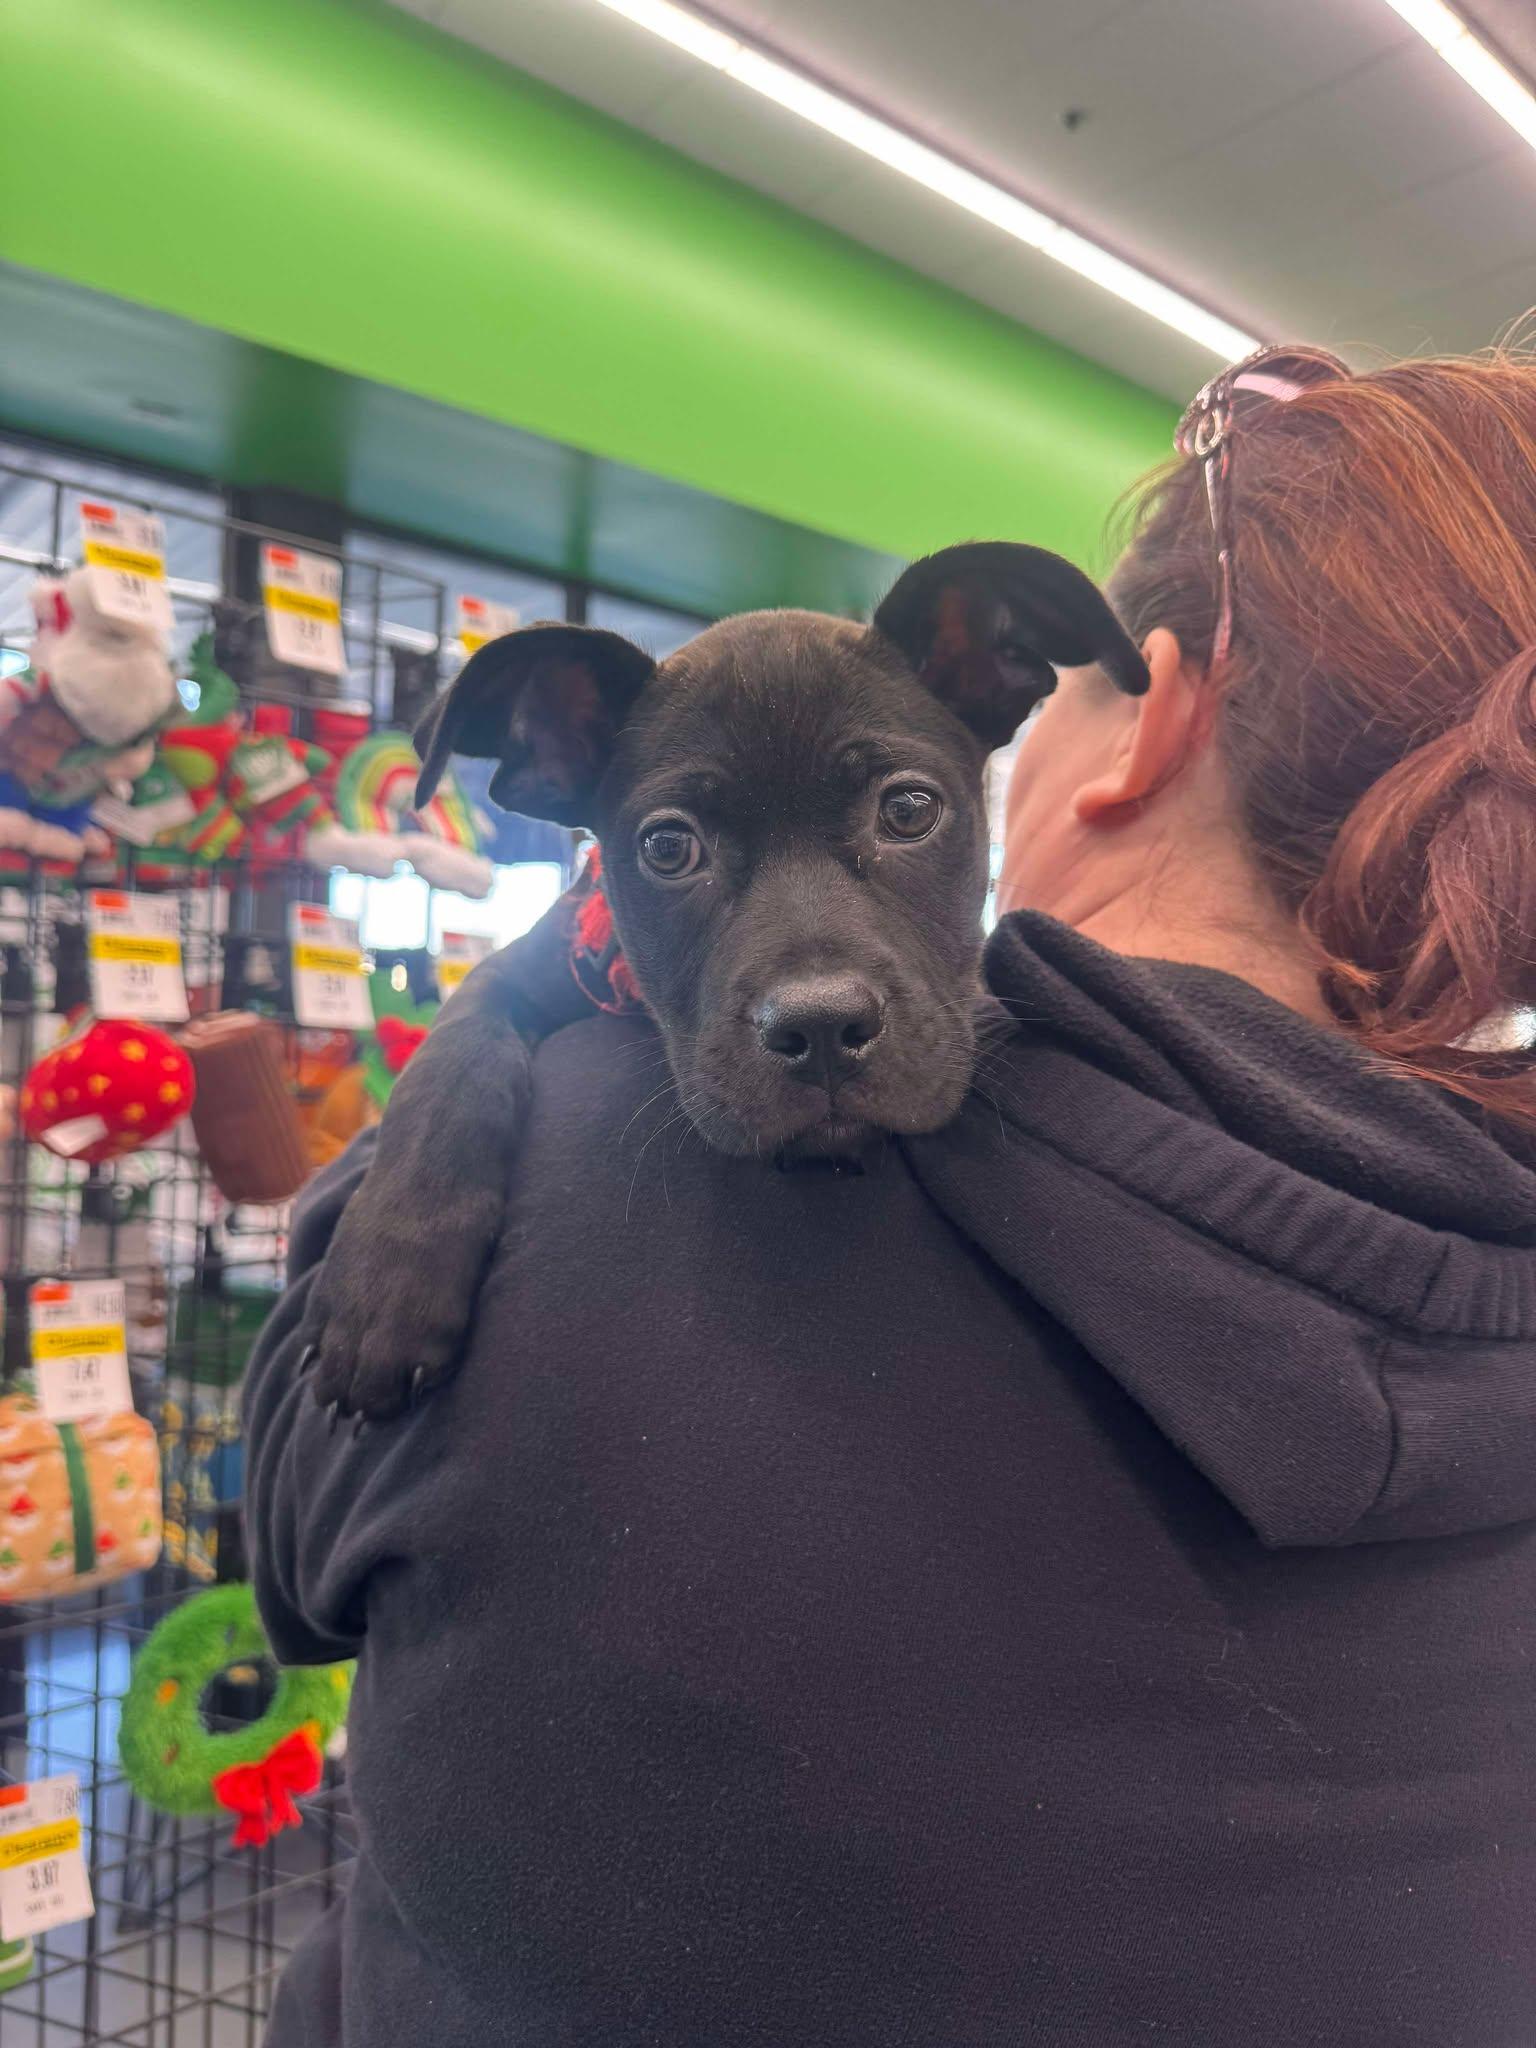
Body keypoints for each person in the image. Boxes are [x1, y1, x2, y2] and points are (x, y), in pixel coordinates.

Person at [245, 345, 1536, 2046]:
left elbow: (293, 1538)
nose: (816, 984)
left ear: (1142, 721)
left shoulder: (559, 1198)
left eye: (910, 811)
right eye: (683, 852)